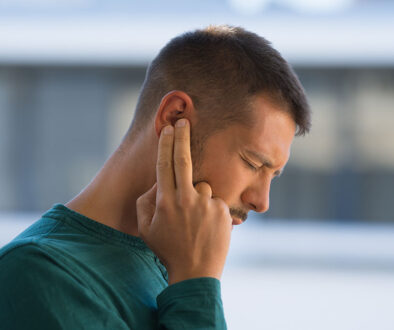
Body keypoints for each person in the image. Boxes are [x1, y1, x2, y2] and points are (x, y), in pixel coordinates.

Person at [0, 25, 311, 329]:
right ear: (175, 116)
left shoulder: (173, 258)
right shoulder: (37, 272)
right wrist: (195, 282)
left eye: (274, 176)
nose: (261, 202)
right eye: (253, 163)